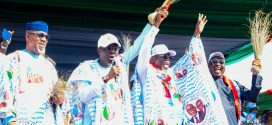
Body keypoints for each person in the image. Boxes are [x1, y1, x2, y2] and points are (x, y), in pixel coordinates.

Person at [67, 8, 168, 125]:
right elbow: (84, 96)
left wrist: (153, 25)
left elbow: (137, 46)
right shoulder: (87, 68)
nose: (112, 52)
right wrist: (106, 79)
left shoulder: (120, 62)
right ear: (99, 50)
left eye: (115, 48)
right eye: (108, 48)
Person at [131, 13, 207, 125]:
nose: (168, 58)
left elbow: (189, 60)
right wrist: (156, 25)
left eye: (169, 56)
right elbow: (145, 48)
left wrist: (197, 34)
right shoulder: (146, 72)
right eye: (164, 56)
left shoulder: (172, 74)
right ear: (153, 58)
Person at [6, 21, 64, 125]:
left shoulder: (49, 65)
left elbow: (58, 98)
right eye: (40, 35)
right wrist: (9, 119)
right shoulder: (14, 59)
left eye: (46, 37)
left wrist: (60, 99)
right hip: (22, 121)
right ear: (28, 36)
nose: (44, 40)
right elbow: (4, 90)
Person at [208, 49, 262, 124]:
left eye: (221, 62)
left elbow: (252, 97)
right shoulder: (202, 84)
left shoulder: (234, 85)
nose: (218, 64)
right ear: (208, 65)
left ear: (224, 65)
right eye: (214, 61)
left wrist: (255, 75)